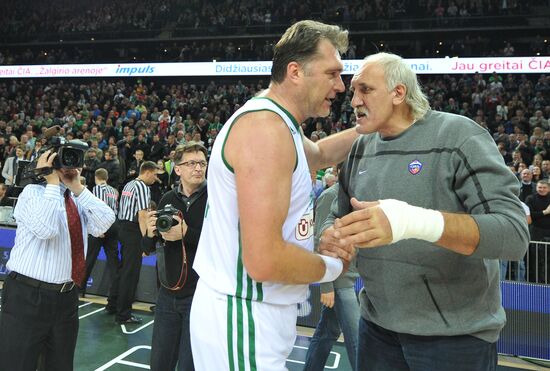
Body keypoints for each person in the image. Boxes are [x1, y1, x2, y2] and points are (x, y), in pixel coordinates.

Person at [320, 53, 529, 371]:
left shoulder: (460, 136)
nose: (354, 101)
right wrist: (332, 236)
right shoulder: (360, 147)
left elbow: (512, 234)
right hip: (376, 329)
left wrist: (411, 221)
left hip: (454, 339)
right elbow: (338, 214)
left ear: (398, 93)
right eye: (352, 92)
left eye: (365, 90)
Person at [190, 20, 358, 371]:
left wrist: (369, 129)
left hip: (253, 312)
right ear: (295, 71)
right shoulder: (266, 130)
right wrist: (333, 265)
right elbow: (264, 261)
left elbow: (321, 155)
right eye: (332, 73)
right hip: (244, 313)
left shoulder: (280, 122)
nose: (340, 86)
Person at [0, 149, 115, 370]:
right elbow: (46, 229)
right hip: (27, 296)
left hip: (66, 298)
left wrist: (77, 186)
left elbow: (105, 222)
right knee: (16, 364)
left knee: (60, 365)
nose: (69, 165)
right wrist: (51, 181)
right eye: (62, 160)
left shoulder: (77, 197)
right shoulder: (32, 193)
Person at [142, 142, 208, 371]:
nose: (198, 168)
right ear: (177, 169)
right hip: (168, 295)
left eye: (202, 163)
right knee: (160, 363)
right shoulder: (167, 198)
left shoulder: (216, 199)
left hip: (201, 297)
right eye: (191, 163)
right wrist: (149, 233)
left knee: (190, 365)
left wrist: (187, 233)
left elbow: (223, 245)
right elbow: (150, 247)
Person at [303, 182, 360, 371]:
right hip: (339, 282)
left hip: (348, 278)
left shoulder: (354, 195)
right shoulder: (330, 195)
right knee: (357, 341)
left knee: (327, 333)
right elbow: (320, 242)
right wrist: (326, 286)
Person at [114, 160, 158, 324]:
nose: (155, 179)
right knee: (130, 275)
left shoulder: (128, 184)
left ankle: (113, 305)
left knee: (123, 270)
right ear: (147, 172)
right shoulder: (143, 187)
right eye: (154, 174)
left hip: (122, 228)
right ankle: (123, 314)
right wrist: (146, 240)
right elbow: (142, 216)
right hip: (133, 231)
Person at [82, 168, 121, 312]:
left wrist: (98, 229)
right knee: (113, 263)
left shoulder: (96, 189)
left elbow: (94, 209)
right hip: (114, 225)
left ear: (96, 177)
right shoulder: (114, 191)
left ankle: (80, 291)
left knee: (90, 258)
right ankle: (114, 296)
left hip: (101, 225)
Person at [525, 179, 550, 283]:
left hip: (548, 232)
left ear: (549, 188)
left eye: (544, 187)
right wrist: (545, 212)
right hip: (535, 232)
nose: (542, 189)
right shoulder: (530, 198)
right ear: (536, 187)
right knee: (535, 258)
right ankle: (535, 282)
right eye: (540, 187)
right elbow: (530, 216)